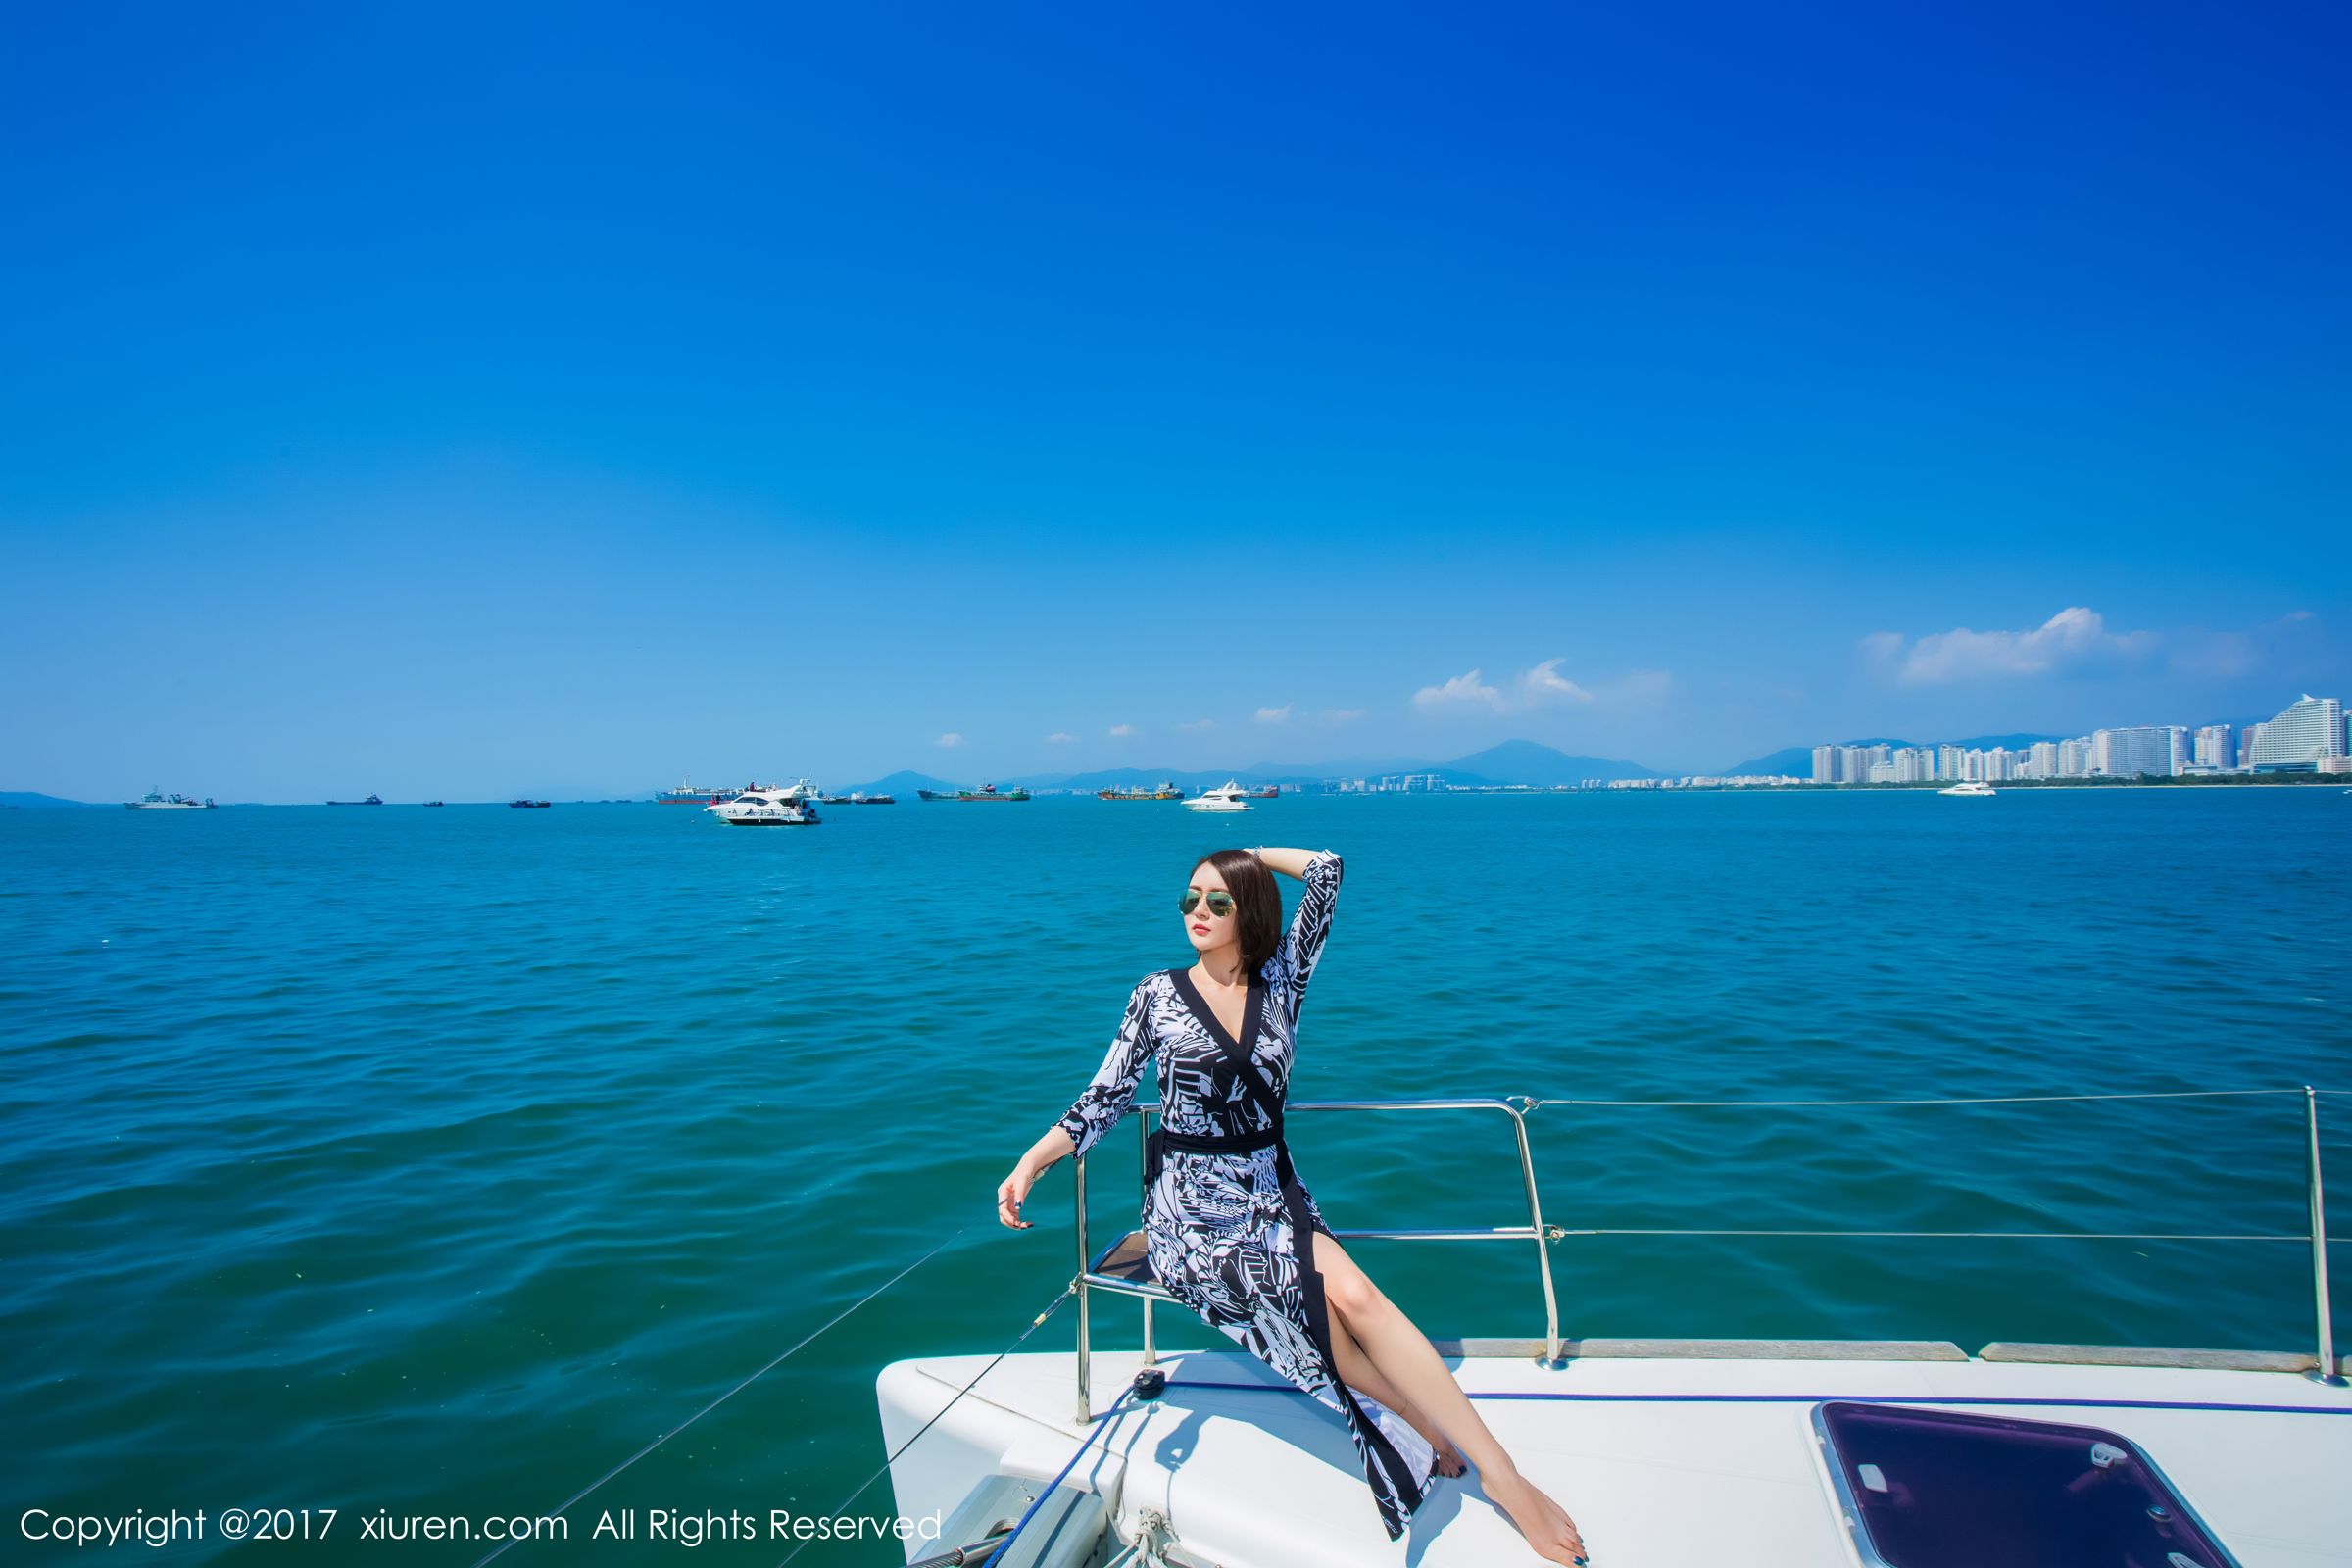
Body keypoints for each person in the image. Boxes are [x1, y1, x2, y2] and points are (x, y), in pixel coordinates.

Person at [997, 845, 1591, 1564]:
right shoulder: (1154, 994)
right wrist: (1032, 1160)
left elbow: (1328, 870)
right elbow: (1106, 1097)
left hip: (1271, 1186)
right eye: (1189, 899)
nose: (1200, 914)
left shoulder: (1284, 980)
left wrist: (1243, 853)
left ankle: (1504, 1477)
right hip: (1189, 1207)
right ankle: (1411, 1412)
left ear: (1250, 909)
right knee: (1309, 1310)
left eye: (1219, 900)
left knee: (1356, 1297)